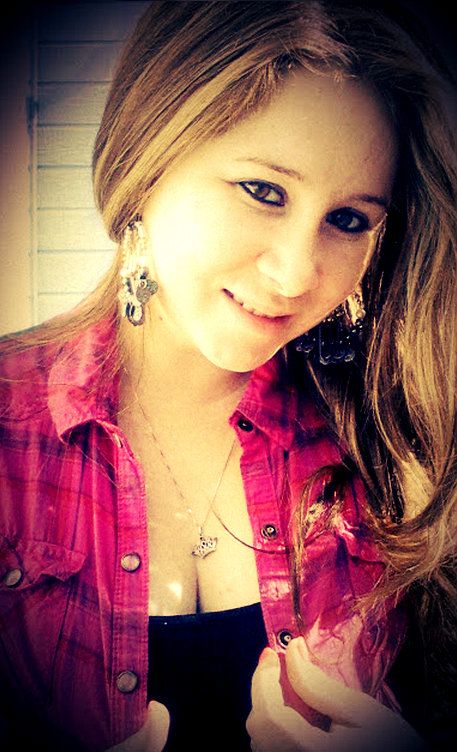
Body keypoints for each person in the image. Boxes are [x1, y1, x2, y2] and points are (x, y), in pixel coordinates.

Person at [0, 1, 456, 750]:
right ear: (147, 162)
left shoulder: (388, 441)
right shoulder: (9, 430)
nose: (297, 273)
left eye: (347, 219)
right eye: (262, 190)